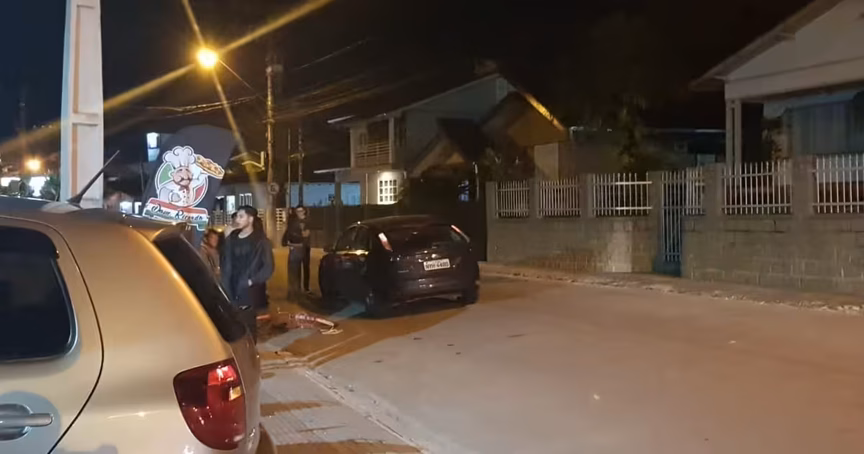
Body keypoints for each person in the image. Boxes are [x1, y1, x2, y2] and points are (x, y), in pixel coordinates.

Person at [221, 206, 274, 341]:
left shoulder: (261, 241)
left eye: (241, 217)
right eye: (237, 216)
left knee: (248, 325)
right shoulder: (232, 238)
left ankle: (250, 349)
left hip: (248, 289)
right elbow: (226, 261)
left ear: (250, 219)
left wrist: (251, 281)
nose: (237, 220)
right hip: (231, 287)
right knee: (233, 325)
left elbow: (268, 267)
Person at [281, 205, 312, 297]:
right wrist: (289, 241)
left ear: (304, 211)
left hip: (305, 247)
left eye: (301, 211)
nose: (299, 213)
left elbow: (307, 234)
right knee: (295, 269)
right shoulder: (293, 222)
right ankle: (296, 289)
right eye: (297, 211)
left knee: (305, 267)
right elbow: (289, 233)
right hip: (296, 247)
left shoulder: (308, 221)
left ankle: (305, 288)